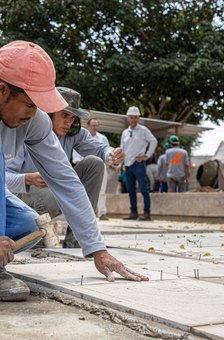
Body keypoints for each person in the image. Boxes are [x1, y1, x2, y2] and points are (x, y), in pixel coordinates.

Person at [0, 40, 147, 301]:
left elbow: (66, 180)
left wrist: (96, 248)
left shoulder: (34, 122)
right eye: (29, 104)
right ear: (2, 90)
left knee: (27, 225)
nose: (34, 114)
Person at [6, 87, 110, 248]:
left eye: (73, 118)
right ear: (50, 113)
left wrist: (94, 245)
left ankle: (75, 239)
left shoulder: (74, 134)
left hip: (54, 193)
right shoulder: (25, 129)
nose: (68, 122)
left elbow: (67, 180)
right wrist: (27, 179)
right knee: (39, 209)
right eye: (65, 115)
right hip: (26, 196)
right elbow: (3, 179)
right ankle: (31, 227)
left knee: (93, 163)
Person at [120, 106, 157, 221]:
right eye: (132, 117)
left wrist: (147, 156)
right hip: (128, 164)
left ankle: (147, 213)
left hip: (138, 163)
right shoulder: (125, 132)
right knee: (130, 190)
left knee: (144, 189)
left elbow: (153, 141)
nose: (134, 119)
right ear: (128, 118)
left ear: (138, 118)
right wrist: (120, 164)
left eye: (136, 117)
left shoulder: (144, 130)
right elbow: (122, 148)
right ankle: (133, 212)